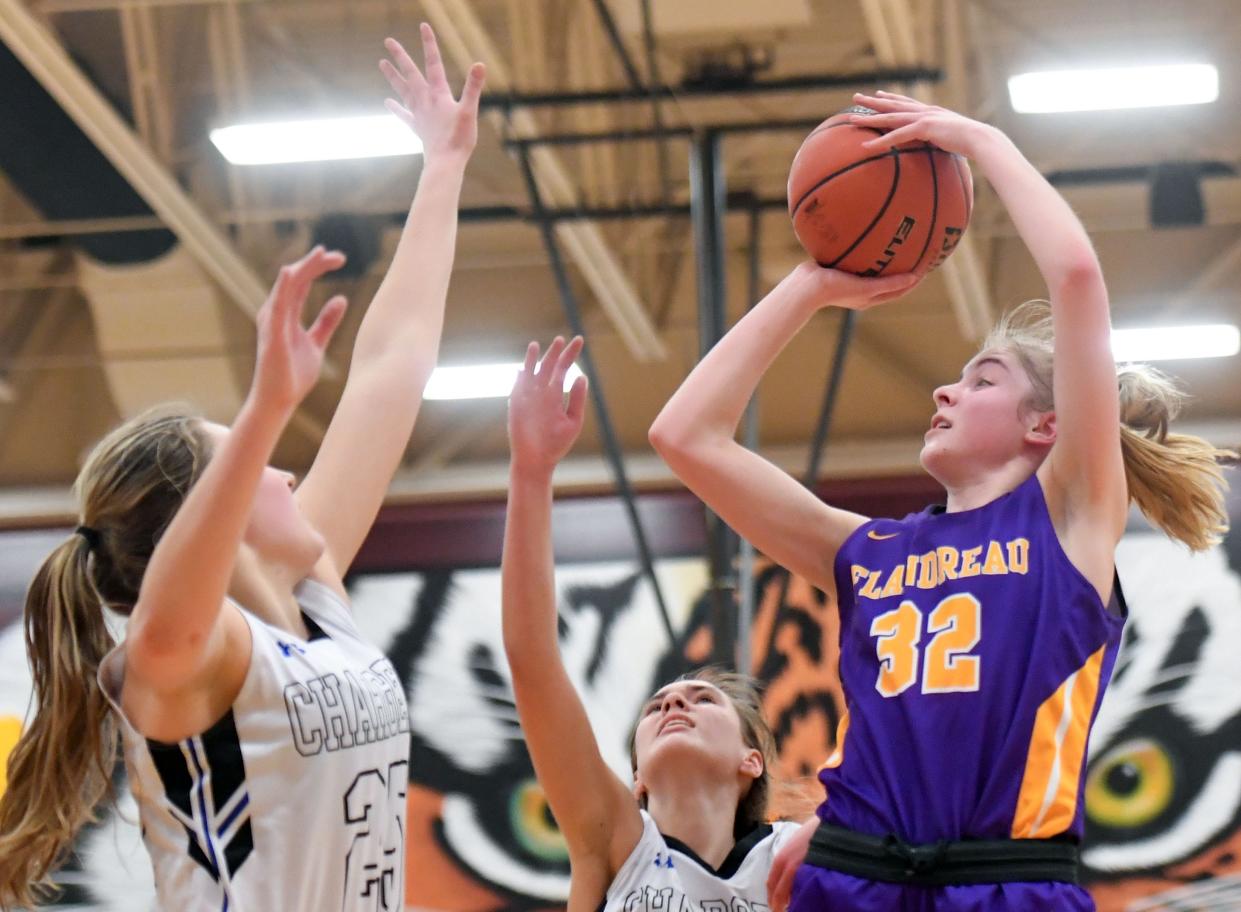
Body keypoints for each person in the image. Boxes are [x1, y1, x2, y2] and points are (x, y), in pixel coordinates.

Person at [649, 91, 1235, 911]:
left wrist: (983, 142)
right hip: (853, 875)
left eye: (981, 378)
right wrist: (810, 287)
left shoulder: (1067, 517)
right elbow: (684, 436)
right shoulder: (866, 552)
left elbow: (1073, 277)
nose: (944, 388)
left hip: (1005, 880)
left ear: (1048, 424)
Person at [0, 24, 484, 911]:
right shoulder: (185, 659)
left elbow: (389, 371)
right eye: (253, 463)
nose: (285, 474)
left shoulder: (313, 603)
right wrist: (264, 407)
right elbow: (166, 626)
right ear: (203, 516)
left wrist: (443, 170)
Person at [503, 336, 801, 912]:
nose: (673, 706)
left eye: (703, 700)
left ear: (751, 761)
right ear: (636, 780)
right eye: (656, 706)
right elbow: (531, 659)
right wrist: (531, 471)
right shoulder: (616, 840)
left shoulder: (794, 856)